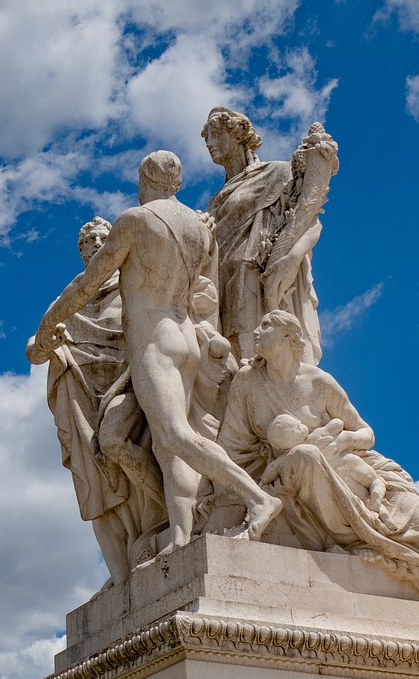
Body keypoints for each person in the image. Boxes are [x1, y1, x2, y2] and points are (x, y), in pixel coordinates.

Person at [30, 150, 282, 551]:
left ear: (144, 180)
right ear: (177, 183)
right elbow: (206, 293)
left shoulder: (135, 220)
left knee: (176, 435)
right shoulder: (201, 227)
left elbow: (87, 286)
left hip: (155, 341)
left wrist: (44, 331)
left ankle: (259, 499)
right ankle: (181, 535)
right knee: (167, 447)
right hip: (186, 338)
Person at [220, 311, 419, 599]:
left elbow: (366, 433)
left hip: (350, 466)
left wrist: (343, 442)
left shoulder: (318, 382)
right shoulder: (247, 382)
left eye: (266, 326)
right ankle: (351, 537)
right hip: (292, 473)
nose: (256, 331)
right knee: (306, 455)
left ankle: (388, 543)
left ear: (289, 337)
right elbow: (231, 446)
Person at [26, 217, 166, 580]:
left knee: (127, 449)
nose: (95, 247)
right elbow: (33, 349)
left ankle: (165, 519)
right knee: (98, 483)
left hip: (129, 381)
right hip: (84, 393)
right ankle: (124, 571)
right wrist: (48, 343)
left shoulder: (133, 284)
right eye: (88, 243)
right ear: (82, 253)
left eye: (103, 240)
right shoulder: (70, 300)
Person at [202, 107, 337, 364]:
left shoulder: (276, 173)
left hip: (254, 277)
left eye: (216, 133)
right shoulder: (215, 201)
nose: (209, 142)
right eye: (206, 137)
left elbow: (309, 220)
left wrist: (290, 257)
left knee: (256, 354)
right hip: (221, 279)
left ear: (238, 134)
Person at [261, 413, 390, 524]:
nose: (300, 422)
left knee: (360, 495)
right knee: (375, 481)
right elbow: (338, 423)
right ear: (294, 436)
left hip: (339, 477)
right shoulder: (318, 434)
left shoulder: (286, 457)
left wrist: (261, 484)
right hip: (348, 463)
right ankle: (378, 504)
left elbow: (269, 473)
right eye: (297, 425)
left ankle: (377, 508)